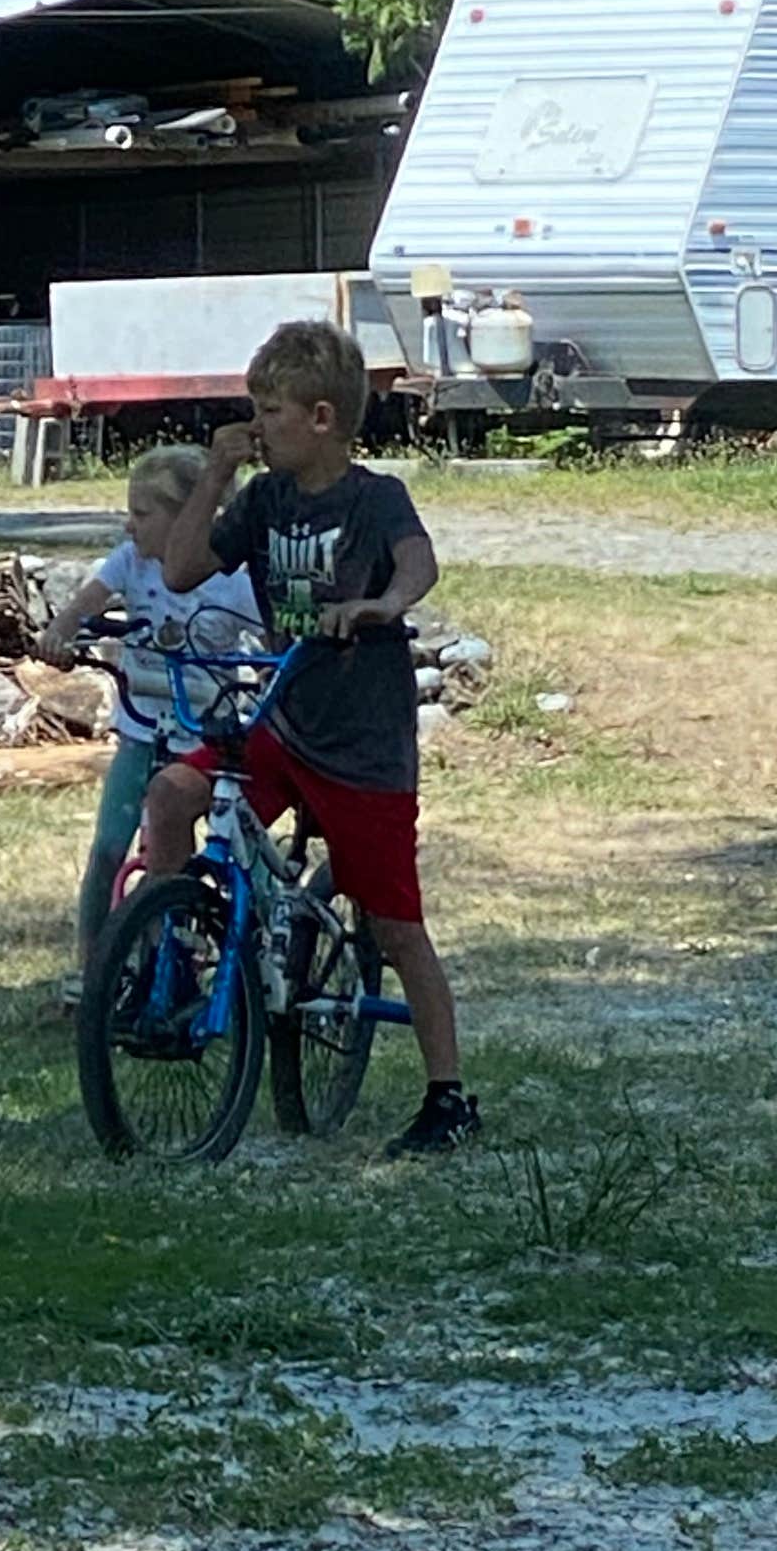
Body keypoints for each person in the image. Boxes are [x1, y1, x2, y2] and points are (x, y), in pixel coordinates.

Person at [150, 317, 480, 1156]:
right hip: (282, 722)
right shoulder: (263, 499)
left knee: (394, 925)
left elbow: (419, 562)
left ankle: (448, 1095)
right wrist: (215, 473)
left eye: (272, 412)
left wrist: (382, 605)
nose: (258, 427)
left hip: (362, 744)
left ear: (323, 418)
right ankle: (174, 953)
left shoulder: (374, 498)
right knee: (172, 795)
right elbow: (181, 570)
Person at [38, 444, 262, 1000]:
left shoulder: (230, 577)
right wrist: (62, 632)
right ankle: (95, 970)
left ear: (188, 519)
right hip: (142, 730)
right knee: (109, 850)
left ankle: (245, 954)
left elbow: (273, 632)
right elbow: (85, 605)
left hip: (205, 739)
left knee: (232, 850)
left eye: (141, 513)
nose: (129, 524)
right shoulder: (130, 562)